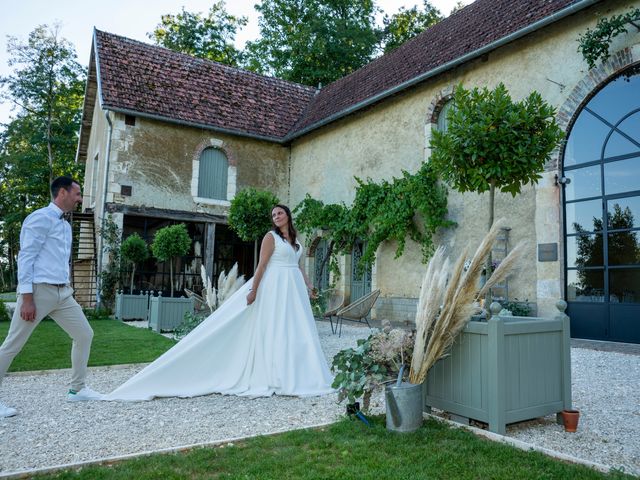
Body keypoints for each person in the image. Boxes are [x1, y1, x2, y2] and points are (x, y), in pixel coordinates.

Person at [103, 204, 334, 401]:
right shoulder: (270, 237)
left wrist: (309, 286)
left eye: (279, 214)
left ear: (288, 216)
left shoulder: (296, 240)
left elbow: (299, 266)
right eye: (273, 215)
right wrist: (254, 290)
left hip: (293, 289)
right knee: (275, 327)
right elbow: (261, 266)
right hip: (275, 287)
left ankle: (301, 371)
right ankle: (274, 373)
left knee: (297, 329)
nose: (276, 217)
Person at [0, 177, 103, 418]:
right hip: (38, 292)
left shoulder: (66, 226)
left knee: (84, 334)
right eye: (77, 194)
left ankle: (77, 390)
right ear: (63, 193)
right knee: (12, 345)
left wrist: (66, 287)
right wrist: (26, 298)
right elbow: (25, 258)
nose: (80, 199)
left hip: (62, 293)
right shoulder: (39, 218)